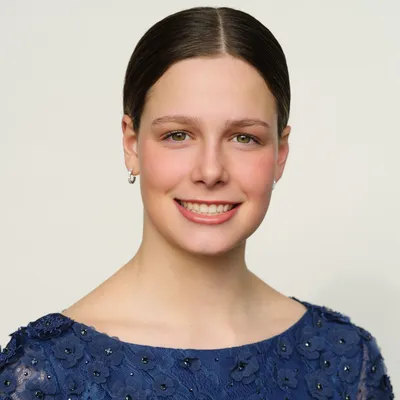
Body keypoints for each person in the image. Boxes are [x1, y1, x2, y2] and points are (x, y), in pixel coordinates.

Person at [0, 6, 394, 400]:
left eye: (244, 138)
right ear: (132, 144)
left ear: (280, 152)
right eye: (178, 135)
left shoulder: (345, 358)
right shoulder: (41, 372)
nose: (210, 171)